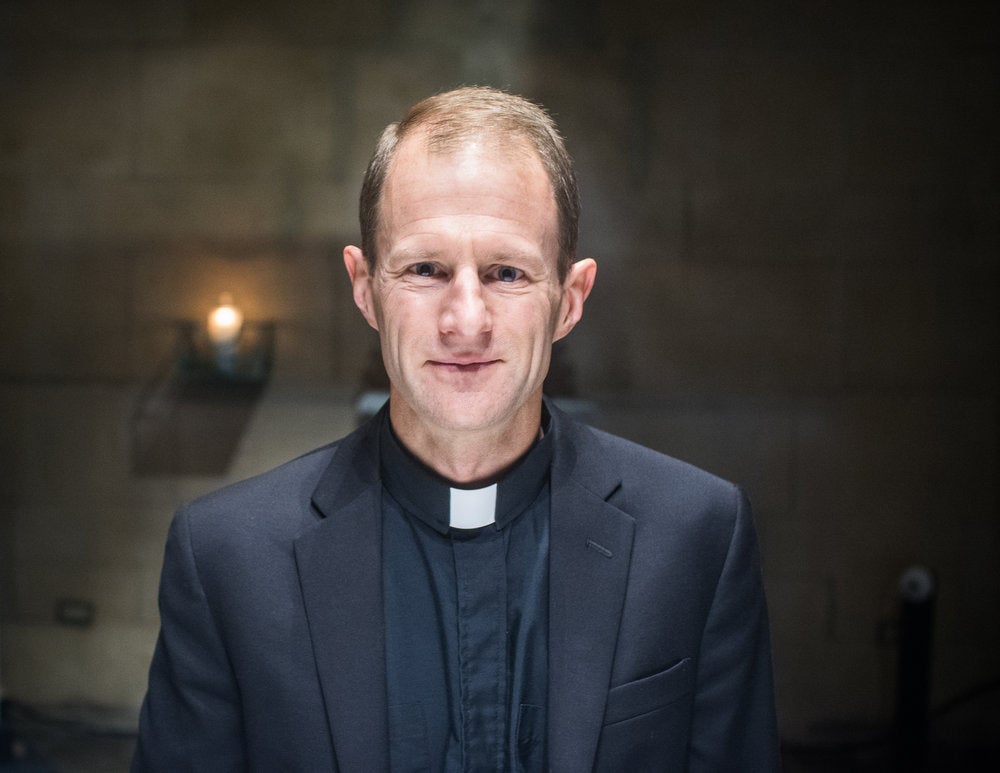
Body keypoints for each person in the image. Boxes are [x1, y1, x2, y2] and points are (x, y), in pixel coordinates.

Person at [132, 86, 779, 771]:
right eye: (425, 269)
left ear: (570, 298)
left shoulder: (696, 535)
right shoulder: (227, 558)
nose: (465, 321)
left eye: (506, 272)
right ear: (364, 287)